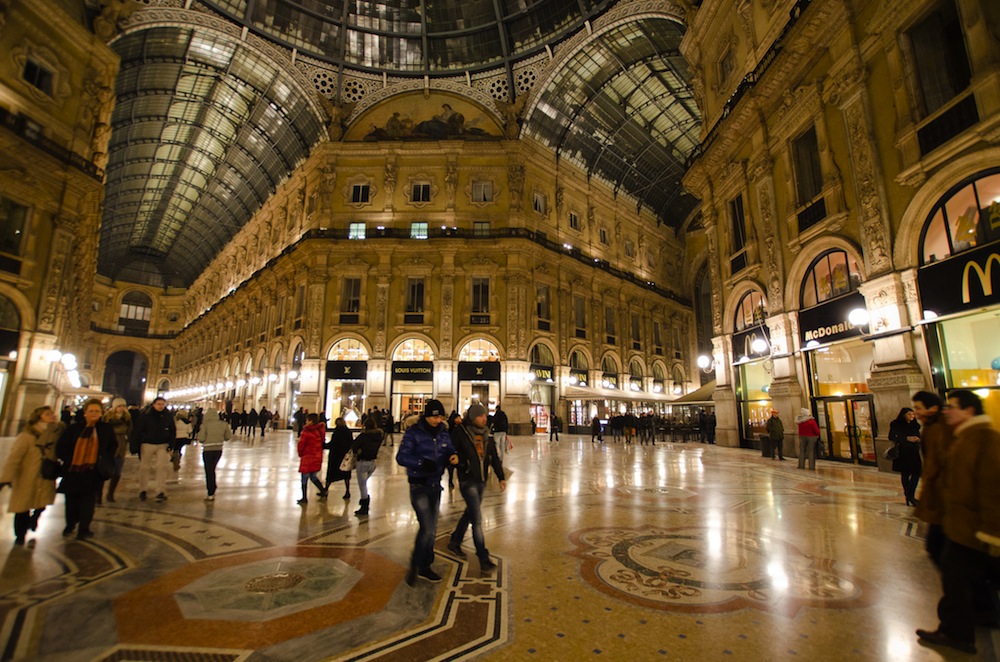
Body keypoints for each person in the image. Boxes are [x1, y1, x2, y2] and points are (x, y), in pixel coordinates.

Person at [916, 389, 1000, 655]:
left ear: (969, 411)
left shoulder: (982, 439)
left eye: (952, 406)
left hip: (971, 526)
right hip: (960, 521)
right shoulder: (963, 435)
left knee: (955, 575)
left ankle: (957, 632)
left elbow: (990, 488)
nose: (947, 410)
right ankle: (981, 613)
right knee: (960, 573)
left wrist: (991, 531)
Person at [396, 399, 458, 585]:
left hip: (435, 486)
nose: (437, 420)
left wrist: (453, 456)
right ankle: (416, 564)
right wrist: (422, 463)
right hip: (418, 485)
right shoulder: (413, 433)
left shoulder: (443, 432)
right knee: (427, 527)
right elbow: (402, 457)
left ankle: (424, 565)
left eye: (440, 416)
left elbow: (449, 450)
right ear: (426, 415)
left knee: (431, 530)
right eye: (434, 416)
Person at [447, 403, 506, 572]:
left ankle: (455, 541)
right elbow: (451, 454)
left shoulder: (487, 434)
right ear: (473, 418)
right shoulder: (461, 433)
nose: (484, 418)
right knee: (477, 520)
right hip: (467, 481)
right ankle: (483, 557)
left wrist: (501, 477)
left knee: (470, 513)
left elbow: (493, 457)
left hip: (481, 481)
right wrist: (462, 465)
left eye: (485, 415)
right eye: (481, 416)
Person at [0, 406, 62, 545]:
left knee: (43, 502)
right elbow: (14, 458)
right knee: (22, 507)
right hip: (27, 476)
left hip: (46, 474)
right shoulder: (26, 436)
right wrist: (5, 478)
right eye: (47, 414)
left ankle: (34, 519)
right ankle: (20, 535)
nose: (51, 416)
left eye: (51, 413)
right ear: (39, 417)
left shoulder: (54, 433)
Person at [55, 398, 115, 539]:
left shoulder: (105, 429)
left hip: (93, 471)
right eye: (91, 411)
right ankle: (70, 524)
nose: (94, 413)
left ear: (102, 413)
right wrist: (71, 460)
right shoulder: (73, 429)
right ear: (85, 413)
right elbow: (61, 447)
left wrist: (104, 459)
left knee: (88, 502)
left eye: (97, 411)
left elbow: (113, 446)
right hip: (73, 471)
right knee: (71, 502)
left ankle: (84, 529)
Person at [912, 391, 955, 566]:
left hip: (946, 494)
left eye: (918, 408)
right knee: (936, 543)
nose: (916, 412)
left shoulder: (941, 428)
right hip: (938, 493)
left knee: (938, 545)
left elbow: (944, 462)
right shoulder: (931, 426)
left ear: (933, 408)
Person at [130, 396, 176, 501]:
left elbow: (173, 431)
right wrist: (135, 446)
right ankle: (143, 489)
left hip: (163, 444)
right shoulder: (146, 416)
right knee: (144, 467)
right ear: (154, 405)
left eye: (162, 404)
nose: (160, 406)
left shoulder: (167, 416)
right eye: (158, 404)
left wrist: (171, 445)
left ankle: (160, 490)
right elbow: (138, 430)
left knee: (161, 467)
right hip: (147, 444)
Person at [889, 407, 922, 506]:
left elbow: (919, 435)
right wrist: (906, 438)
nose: (912, 416)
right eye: (909, 414)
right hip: (903, 451)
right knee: (905, 473)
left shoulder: (915, 425)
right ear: (904, 415)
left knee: (917, 472)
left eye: (913, 415)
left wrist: (918, 439)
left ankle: (909, 494)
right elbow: (891, 436)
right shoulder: (896, 424)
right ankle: (910, 496)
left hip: (914, 451)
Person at [198, 406, 232, 501]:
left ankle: (211, 492)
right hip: (218, 449)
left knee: (209, 471)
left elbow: (201, 439)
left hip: (208, 450)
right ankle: (212, 488)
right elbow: (228, 437)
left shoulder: (205, 425)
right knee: (212, 469)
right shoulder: (223, 424)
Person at [352, 417, 384, 516]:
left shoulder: (363, 436)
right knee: (364, 483)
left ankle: (364, 506)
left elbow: (354, 447)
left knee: (362, 486)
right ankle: (365, 502)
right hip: (372, 463)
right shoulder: (378, 436)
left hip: (363, 462)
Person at [102, 398, 131, 502]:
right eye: (119, 406)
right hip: (109, 446)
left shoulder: (127, 418)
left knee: (117, 471)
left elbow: (130, 431)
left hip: (121, 446)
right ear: (115, 407)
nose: (122, 408)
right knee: (103, 470)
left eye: (123, 406)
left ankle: (110, 493)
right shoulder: (107, 418)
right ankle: (99, 493)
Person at [296, 413, 327, 504]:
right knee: (313, 476)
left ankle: (304, 497)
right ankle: (323, 490)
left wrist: (300, 453)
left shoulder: (306, 432)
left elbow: (301, 445)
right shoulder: (319, 431)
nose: (306, 422)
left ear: (310, 421)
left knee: (304, 477)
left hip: (308, 456)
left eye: (307, 420)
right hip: (317, 456)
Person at [324, 417, 353, 499]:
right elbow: (351, 443)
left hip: (335, 456)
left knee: (331, 475)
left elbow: (333, 444)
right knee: (346, 475)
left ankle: (325, 490)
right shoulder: (348, 432)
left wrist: (324, 445)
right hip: (345, 457)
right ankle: (347, 491)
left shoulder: (337, 432)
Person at [446, 412, 462, 489]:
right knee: (451, 467)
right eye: (457, 418)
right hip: (451, 449)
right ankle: (450, 480)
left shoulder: (461, 428)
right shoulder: (449, 428)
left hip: (459, 449)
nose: (459, 419)